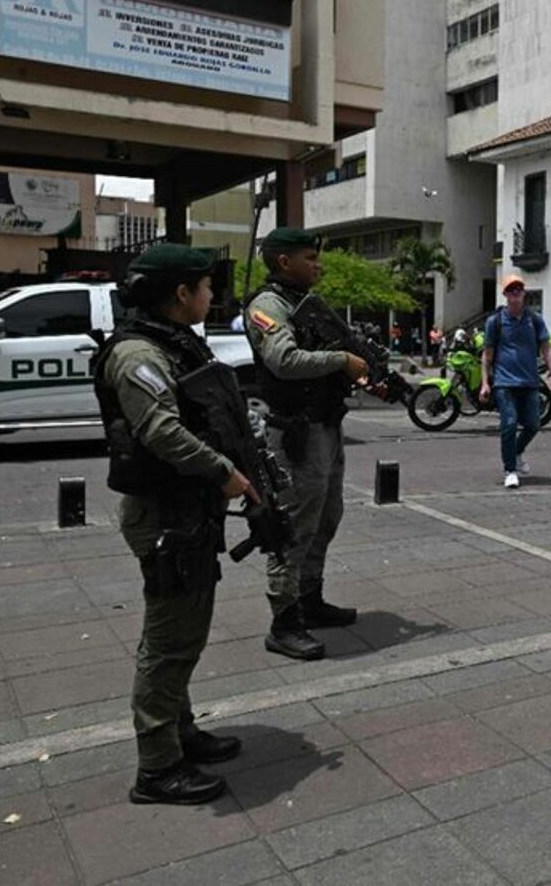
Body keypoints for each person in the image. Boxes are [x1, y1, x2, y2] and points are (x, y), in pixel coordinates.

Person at [91, 243, 255, 805]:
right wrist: (225, 473)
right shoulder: (137, 354)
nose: (212, 296)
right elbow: (161, 432)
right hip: (163, 515)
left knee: (183, 633)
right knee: (169, 642)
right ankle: (158, 768)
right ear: (181, 294)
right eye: (205, 287)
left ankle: (180, 732)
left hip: (185, 510)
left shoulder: (172, 343)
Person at [245, 228, 372, 661]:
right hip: (296, 433)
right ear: (284, 262)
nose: (318, 265)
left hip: (325, 426)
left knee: (326, 517)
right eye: (310, 258)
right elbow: (283, 360)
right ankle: (284, 623)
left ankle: (309, 599)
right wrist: (341, 360)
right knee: (295, 527)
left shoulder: (303, 304)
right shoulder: (268, 306)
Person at [479, 274, 551, 488]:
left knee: (533, 424)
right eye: (511, 290)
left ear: (524, 293)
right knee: (509, 423)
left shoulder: (534, 320)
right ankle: (510, 470)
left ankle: (515, 453)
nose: (515, 293)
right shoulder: (495, 322)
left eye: (519, 289)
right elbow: (487, 355)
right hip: (504, 383)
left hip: (530, 382)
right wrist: (485, 383)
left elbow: (546, 347)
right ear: (505, 294)